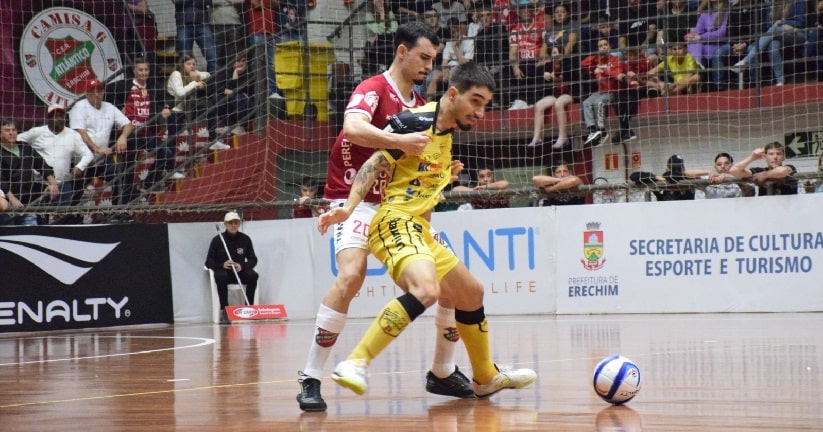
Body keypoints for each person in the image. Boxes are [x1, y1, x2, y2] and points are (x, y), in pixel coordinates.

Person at [317, 61, 537, 398]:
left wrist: (443, 177)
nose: (480, 112)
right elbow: (373, 163)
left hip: (417, 227)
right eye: (475, 101)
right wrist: (347, 208)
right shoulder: (414, 121)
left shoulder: (447, 133)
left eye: (485, 105)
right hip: (394, 222)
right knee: (426, 290)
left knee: (470, 292)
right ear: (452, 94)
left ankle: (485, 378)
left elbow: (417, 175)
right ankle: (355, 362)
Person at [296, 22, 474, 413]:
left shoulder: (421, 106)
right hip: (353, 197)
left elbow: (421, 164)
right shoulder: (373, 89)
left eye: (434, 59)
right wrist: (398, 140)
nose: (430, 66)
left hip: (399, 206)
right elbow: (353, 128)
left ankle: (442, 371)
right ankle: (311, 376)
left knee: (449, 284)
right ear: (401, 52)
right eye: (424, 57)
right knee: (350, 276)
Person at [116, 57, 174, 202]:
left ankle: (148, 182)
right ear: (134, 71)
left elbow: (169, 97)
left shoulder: (153, 85)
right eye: (140, 70)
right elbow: (109, 96)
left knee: (165, 152)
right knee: (128, 169)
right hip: (130, 134)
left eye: (146, 70)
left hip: (146, 133)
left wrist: (166, 107)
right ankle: (125, 201)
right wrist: (118, 109)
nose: (143, 73)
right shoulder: (125, 85)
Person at [69, 79, 135, 204]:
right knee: (75, 195)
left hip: (101, 161)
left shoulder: (109, 107)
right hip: (81, 161)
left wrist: (123, 137)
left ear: (104, 92)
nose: (97, 94)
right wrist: (96, 148)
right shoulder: (80, 106)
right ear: (87, 93)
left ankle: (118, 212)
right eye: (93, 92)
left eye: (99, 91)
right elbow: (80, 131)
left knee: (122, 176)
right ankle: (69, 219)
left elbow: (128, 125)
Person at [17, 105, 94, 206]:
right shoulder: (37, 132)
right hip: (39, 184)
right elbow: (16, 139)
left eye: (61, 116)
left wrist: (80, 166)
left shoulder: (73, 135)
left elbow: (88, 154)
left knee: (64, 216)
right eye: (55, 116)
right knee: (40, 217)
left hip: (63, 184)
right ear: (49, 118)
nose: (59, 119)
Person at [167, 53, 228, 168]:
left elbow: (208, 74)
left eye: (194, 64)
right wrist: (195, 83)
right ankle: (170, 169)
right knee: (172, 140)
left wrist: (198, 77)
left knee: (210, 107)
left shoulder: (192, 74)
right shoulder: (176, 74)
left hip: (187, 109)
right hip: (175, 111)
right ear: (182, 64)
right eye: (188, 64)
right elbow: (180, 93)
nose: (192, 66)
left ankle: (213, 140)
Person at [730, 0, 807, 86]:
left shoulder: (797, 1)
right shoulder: (770, 4)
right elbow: (767, 25)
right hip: (776, 34)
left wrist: (782, 23)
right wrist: (780, 26)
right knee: (773, 45)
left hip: (797, 33)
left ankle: (746, 61)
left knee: (773, 30)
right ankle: (780, 81)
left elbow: (800, 22)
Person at [0, 118, 60, 225]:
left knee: (30, 229)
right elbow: (1, 180)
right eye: (7, 130)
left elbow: (41, 164)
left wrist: (52, 182)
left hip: (27, 200)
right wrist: (12, 198)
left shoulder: (25, 147)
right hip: (5, 203)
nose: (11, 133)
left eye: (13, 130)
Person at [205, 211, 260, 322]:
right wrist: (222, 264)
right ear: (225, 224)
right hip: (224, 273)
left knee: (253, 275)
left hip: (239, 272)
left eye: (236, 223)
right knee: (221, 275)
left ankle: (248, 308)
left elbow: (253, 259)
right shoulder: (217, 240)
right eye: (231, 223)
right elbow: (208, 262)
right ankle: (225, 310)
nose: (233, 225)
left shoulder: (245, 239)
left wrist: (243, 265)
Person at [528, 45, 580, 150]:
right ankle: (537, 138)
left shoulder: (568, 63)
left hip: (569, 93)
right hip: (554, 95)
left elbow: (570, 75)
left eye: (556, 52)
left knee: (559, 104)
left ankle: (563, 138)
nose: (554, 55)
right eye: (553, 53)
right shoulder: (548, 65)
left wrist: (556, 75)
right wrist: (544, 74)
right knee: (539, 105)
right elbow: (534, 73)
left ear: (561, 53)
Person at [581, 38, 625, 147]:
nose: (603, 47)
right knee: (586, 103)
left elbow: (617, 73)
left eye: (605, 45)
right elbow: (583, 64)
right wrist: (596, 55)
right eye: (600, 46)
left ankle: (602, 130)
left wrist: (603, 71)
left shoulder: (615, 59)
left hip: (612, 91)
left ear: (609, 46)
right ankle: (592, 129)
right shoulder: (596, 60)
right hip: (600, 91)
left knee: (598, 102)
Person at [507, 0, 546, 110]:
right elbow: (513, 51)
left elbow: (546, 44)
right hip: (523, 62)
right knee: (513, 70)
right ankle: (521, 101)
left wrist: (542, 58)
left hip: (537, 61)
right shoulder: (515, 29)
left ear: (532, 10)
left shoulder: (541, 25)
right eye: (522, 9)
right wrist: (515, 67)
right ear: (519, 12)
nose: (525, 11)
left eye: (528, 8)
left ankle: (536, 102)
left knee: (540, 68)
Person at [426, 18, 474, 99]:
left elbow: (465, 62)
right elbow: (444, 62)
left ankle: (450, 102)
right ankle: (428, 104)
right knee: (435, 76)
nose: (456, 34)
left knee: (452, 73)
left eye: (457, 30)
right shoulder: (448, 43)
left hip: (463, 69)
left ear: (460, 28)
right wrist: (445, 73)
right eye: (453, 32)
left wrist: (455, 49)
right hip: (449, 68)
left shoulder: (469, 41)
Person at [729, 142, 798, 196]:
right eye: (771, 154)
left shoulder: (790, 167)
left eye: (779, 154)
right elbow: (734, 171)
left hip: (788, 210)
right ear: (765, 157)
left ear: (783, 157)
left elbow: (781, 171)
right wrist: (752, 157)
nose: (775, 157)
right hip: (764, 209)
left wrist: (765, 175)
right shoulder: (759, 171)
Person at [212, 52, 256, 135]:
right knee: (216, 97)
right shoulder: (226, 72)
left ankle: (241, 126)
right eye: (238, 61)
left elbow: (240, 92)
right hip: (232, 105)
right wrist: (226, 91)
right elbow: (217, 87)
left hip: (248, 108)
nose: (241, 64)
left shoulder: (250, 74)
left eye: (243, 61)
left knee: (239, 97)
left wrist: (235, 74)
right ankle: (229, 126)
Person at [629, 154, 703, 201]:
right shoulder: (664, 179)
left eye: (679, 168)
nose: (677, 171)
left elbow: (674, 176)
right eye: (674, 168)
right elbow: (633, 176)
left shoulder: (688, 179)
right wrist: (655, 177)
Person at [173, 0, 219, 74]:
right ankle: (184, 84)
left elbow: (208, 1)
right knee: (184, 59)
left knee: (212, 57)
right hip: (183, 25)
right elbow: (177, 1)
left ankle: (213, 83)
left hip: (202, 24)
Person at [683, 0, 728, 67]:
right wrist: (691, 36)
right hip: (706, 44)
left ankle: (696, 66)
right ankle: (697, 65)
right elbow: (698, 31)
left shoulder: (728, 11)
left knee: (695, 46)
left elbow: (722, 33)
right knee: (692, 43)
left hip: (721, 44)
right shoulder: (705, 13)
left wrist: (701, 37)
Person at [211, 0, 247, 67]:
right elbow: (211, 1)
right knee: (215, 54)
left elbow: (241, 1)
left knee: (233, 54)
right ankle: (215, 76)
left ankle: (231, 75)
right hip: (216, 23)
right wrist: (229, 2)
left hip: (234, 22)